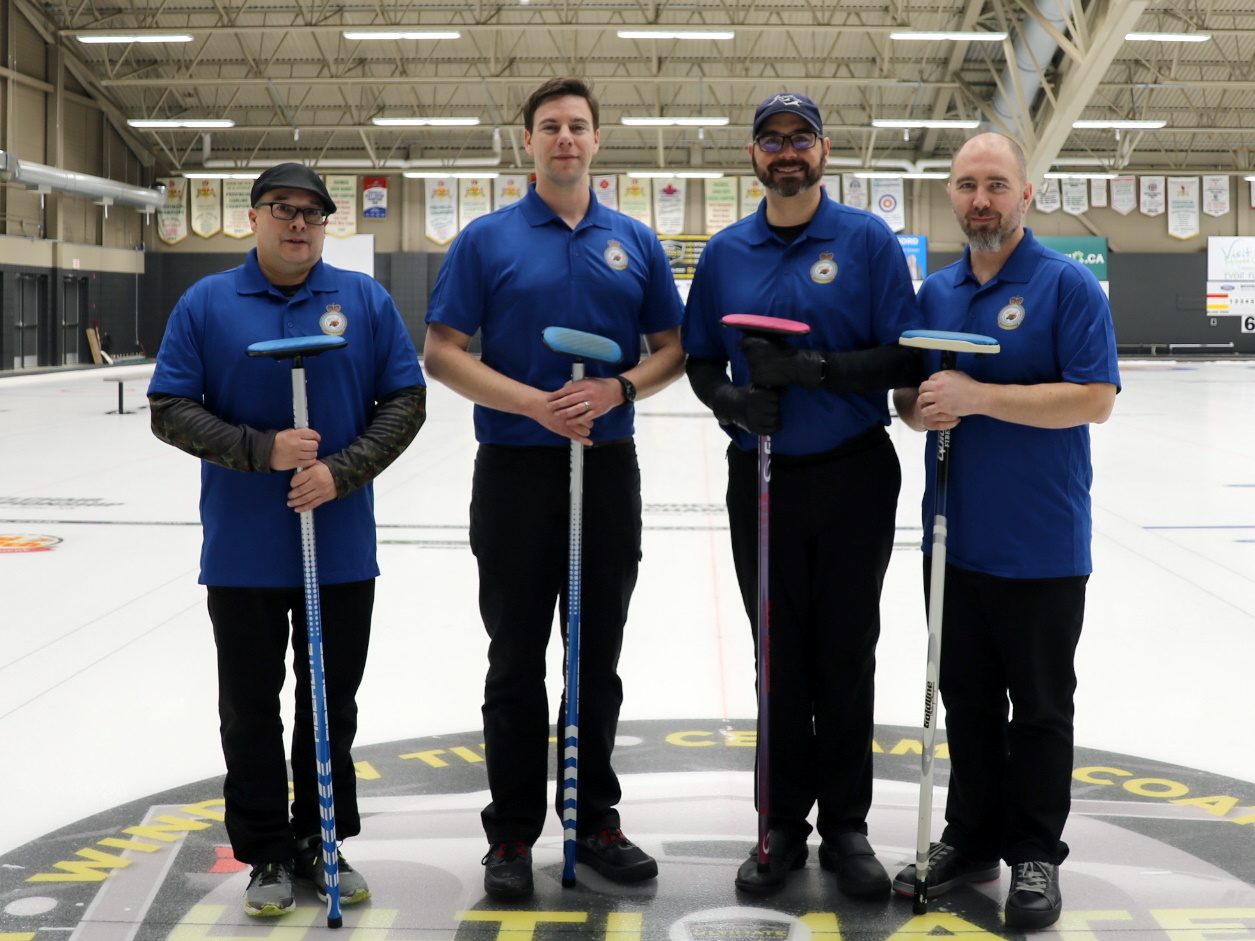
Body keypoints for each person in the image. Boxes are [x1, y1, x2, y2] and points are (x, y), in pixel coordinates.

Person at [423, 76, 685, 901]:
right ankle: (509, 832)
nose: (564, 138)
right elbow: (442, 352)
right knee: (514, 658)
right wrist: (535, 404)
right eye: (549, 126)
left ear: (597, 140)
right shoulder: (486, 239)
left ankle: (595, 818)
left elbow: (672, 347)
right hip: (515, 468)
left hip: (605, 467)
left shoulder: (634, 240)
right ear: (527, 142)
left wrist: (620, 388)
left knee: (595, 656)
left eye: (576, 125)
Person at [147, 163, 426, 917]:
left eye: (312, 212)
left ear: (326, 223)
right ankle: (266, 849)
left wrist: (341, 470)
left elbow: (406, 399)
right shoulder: (207, 302)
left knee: (330, 704)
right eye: (282, 208)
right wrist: (260, 450)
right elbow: (169, 407)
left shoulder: (362, 300)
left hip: (338, 548)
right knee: (249, 708)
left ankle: (320, 837)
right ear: (254, 217)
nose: (297, 222)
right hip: (243, 550)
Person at [682, 91, 924, 898]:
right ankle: (781, 821)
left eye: (801, 138)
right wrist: (730, 401)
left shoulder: (865, 241)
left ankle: (846, 825)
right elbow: (699, 358)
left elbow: (903, 356)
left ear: (824, 151)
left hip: (853, 473)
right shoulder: (725, 251)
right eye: (771, 139)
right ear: (753, 155)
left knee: (845, 651)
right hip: (761, 478)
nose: (786, 152)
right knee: (777, 656)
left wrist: (817, 371)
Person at [891, 132, 1118, 929]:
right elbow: (911, 397)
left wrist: (980, 397)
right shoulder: (935, 293)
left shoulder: (1065, 285)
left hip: (1040, 542)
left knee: (1041, 706)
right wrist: (920, 408)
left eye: (994, 184)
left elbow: (1093, 398)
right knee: (968, 701)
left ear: (1025, 193)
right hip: (953, 540)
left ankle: (1032, 850)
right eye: (965, 185)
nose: (979, 199)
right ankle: (970, 836)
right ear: (950, 195)